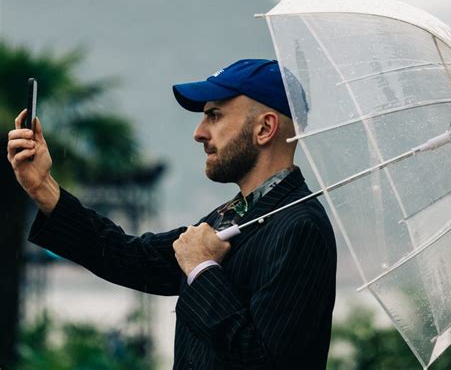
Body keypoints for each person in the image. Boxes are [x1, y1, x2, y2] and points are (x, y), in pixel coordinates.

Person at [8, 59, 337, 370]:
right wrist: (43, 188)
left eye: (215, 115)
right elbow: (129, 256)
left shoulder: (299, 226)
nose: (199, 132)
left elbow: (268, 363)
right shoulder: (232, 216)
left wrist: (203, 270)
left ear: (264, 128)